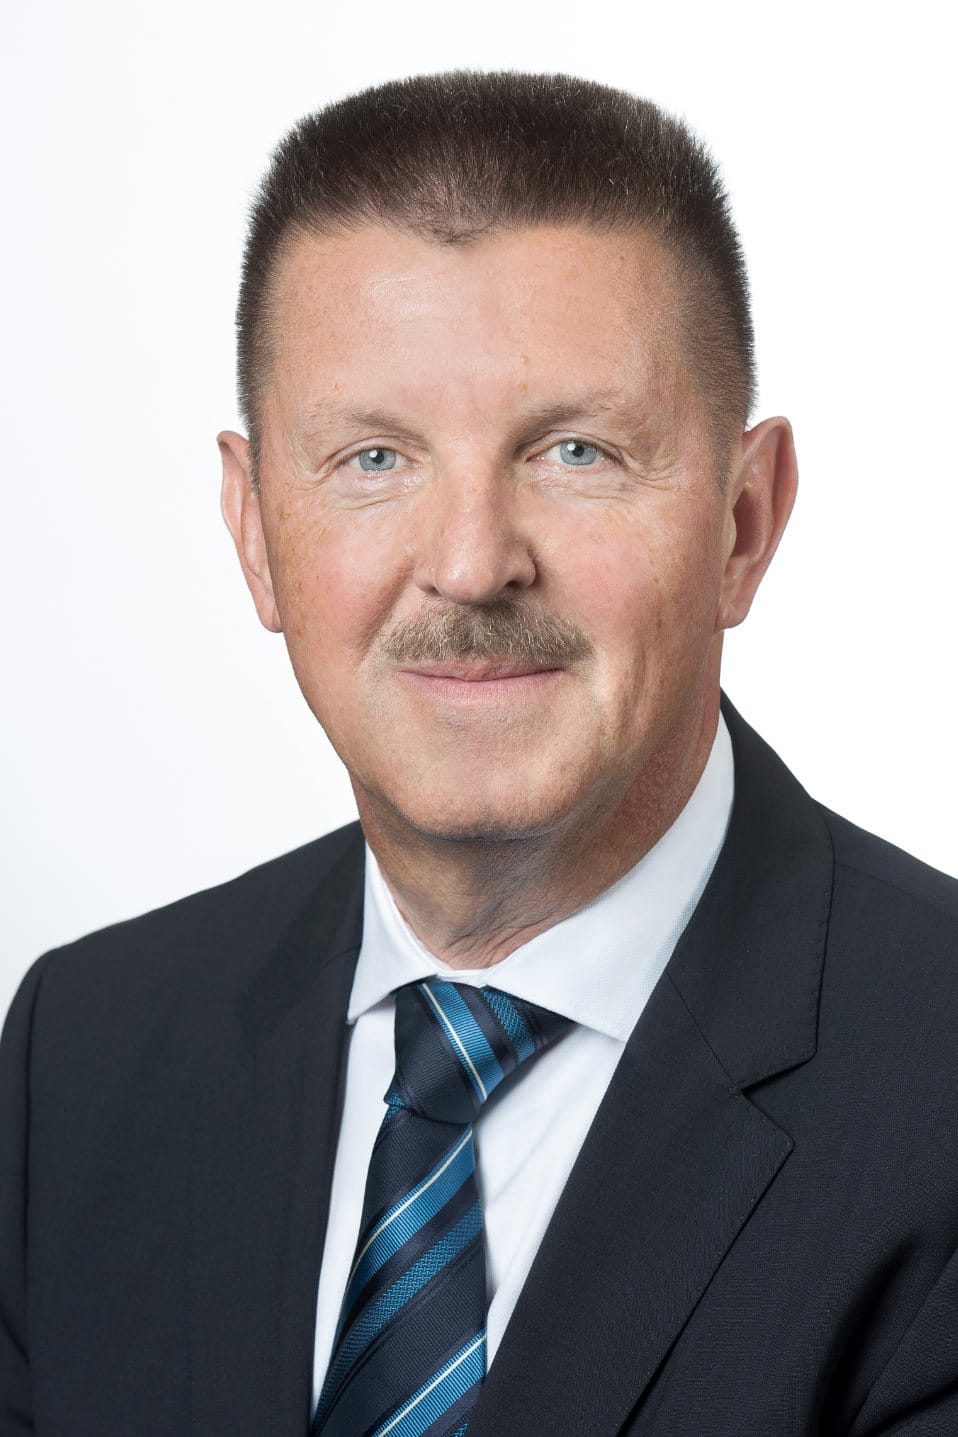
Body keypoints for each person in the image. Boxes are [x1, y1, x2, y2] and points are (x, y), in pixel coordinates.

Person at [2, 68, 957, 1437]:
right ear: (255, 530)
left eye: (575, 451)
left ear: (743, 523)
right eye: (373, 460)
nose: (468, 563)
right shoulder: (82, 1053)